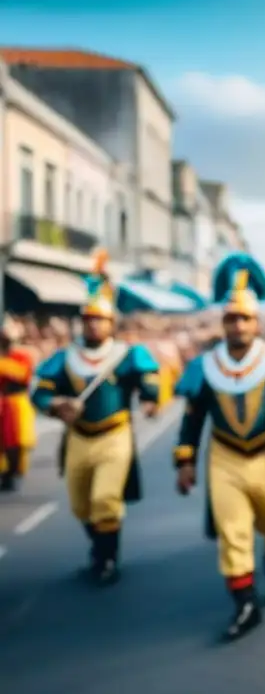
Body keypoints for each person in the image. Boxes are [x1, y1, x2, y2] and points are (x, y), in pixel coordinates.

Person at [173, 253, 265, 641]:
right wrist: (184, 461)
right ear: (223, 323)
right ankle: (245, 605)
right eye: (231, 318)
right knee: (233, 534)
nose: (238, 325)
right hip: (224, 458)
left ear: (257, 322)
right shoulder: (205, 367)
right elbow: (192, 419)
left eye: (245, 318)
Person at [30, 250, 161, 584]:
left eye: (99, 319)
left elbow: (149, 381)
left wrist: (150, 398)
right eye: (88, 319)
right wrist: (57, 403)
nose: (93, 325)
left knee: (105, 499)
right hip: (78, 436)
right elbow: (40, 393)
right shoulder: (66, 357)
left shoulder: (126, 355)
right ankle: (99, 548)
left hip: (114, 436)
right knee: (80, 505)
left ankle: (107, 560)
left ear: (111, 323)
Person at [0, 316, 36, 492]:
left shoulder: (21, 355)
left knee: (16, 440)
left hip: (17, 401)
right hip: (2, 400)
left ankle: (13, 472)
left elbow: (24, 375)